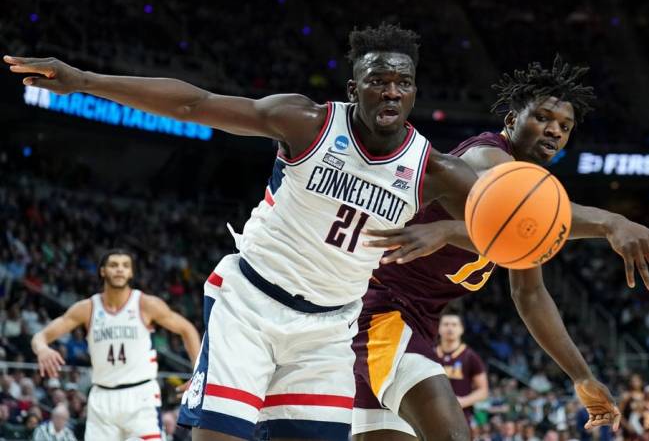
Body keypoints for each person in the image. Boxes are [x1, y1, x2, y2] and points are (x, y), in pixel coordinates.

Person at [6, 23, 479, 440]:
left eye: (403, 83)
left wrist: (444, 230)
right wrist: (85, 81)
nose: (391, 92)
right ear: (355, 89)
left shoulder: (435, 171)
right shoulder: (308, 123)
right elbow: (195, 104)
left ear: (414, 93)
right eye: (379, 81)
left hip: (331, 329)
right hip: (251, 305)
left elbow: (508, 239)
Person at [352, 56, 649, 440]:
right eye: (542, 117)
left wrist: (582, 377)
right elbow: (509, 207)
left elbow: (530, 294)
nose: (554, 131)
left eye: (564, 126)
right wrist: (613, 221)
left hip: (415, 322)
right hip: (380, 310)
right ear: (511, 121)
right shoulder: (485, 155)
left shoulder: (529, 212)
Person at [30, 249, 200, 441]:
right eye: (114, 265)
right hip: (102, 399)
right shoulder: (87, 308)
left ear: (131, 273)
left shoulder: (145, 304)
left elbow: (187, 329)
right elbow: (40, 336)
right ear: (102, 271)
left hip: (140, 396)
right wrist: (42, 349)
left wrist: (198, 372)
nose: (120, 269)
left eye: (125, 266)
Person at [434, 313, 488, 423]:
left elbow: (483, 391)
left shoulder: (470, 356)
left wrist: (462, 401)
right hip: (432, 414)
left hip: (460, 417)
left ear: (461, 329)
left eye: (454, 325)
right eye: (446, 324)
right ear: (438, 328)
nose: (450, 328)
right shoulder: (430, 354)